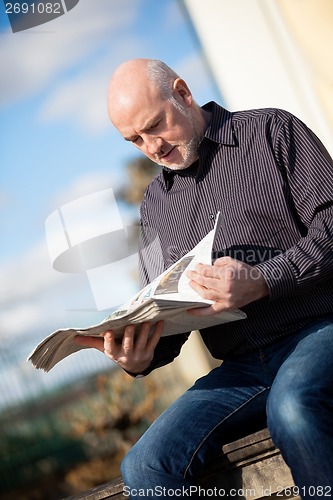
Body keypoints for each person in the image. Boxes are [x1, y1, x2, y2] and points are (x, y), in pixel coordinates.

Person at [75, 59, 333, 499]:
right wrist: (142, 356)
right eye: (134, 139)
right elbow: (167, 312)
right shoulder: (154, 206)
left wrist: (265, 279)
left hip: (319, 331)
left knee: (291, 408)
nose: (152, 147)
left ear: (183, 92)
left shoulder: (273, 132)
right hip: (241, 370)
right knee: (145, 467)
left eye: (155, 125)